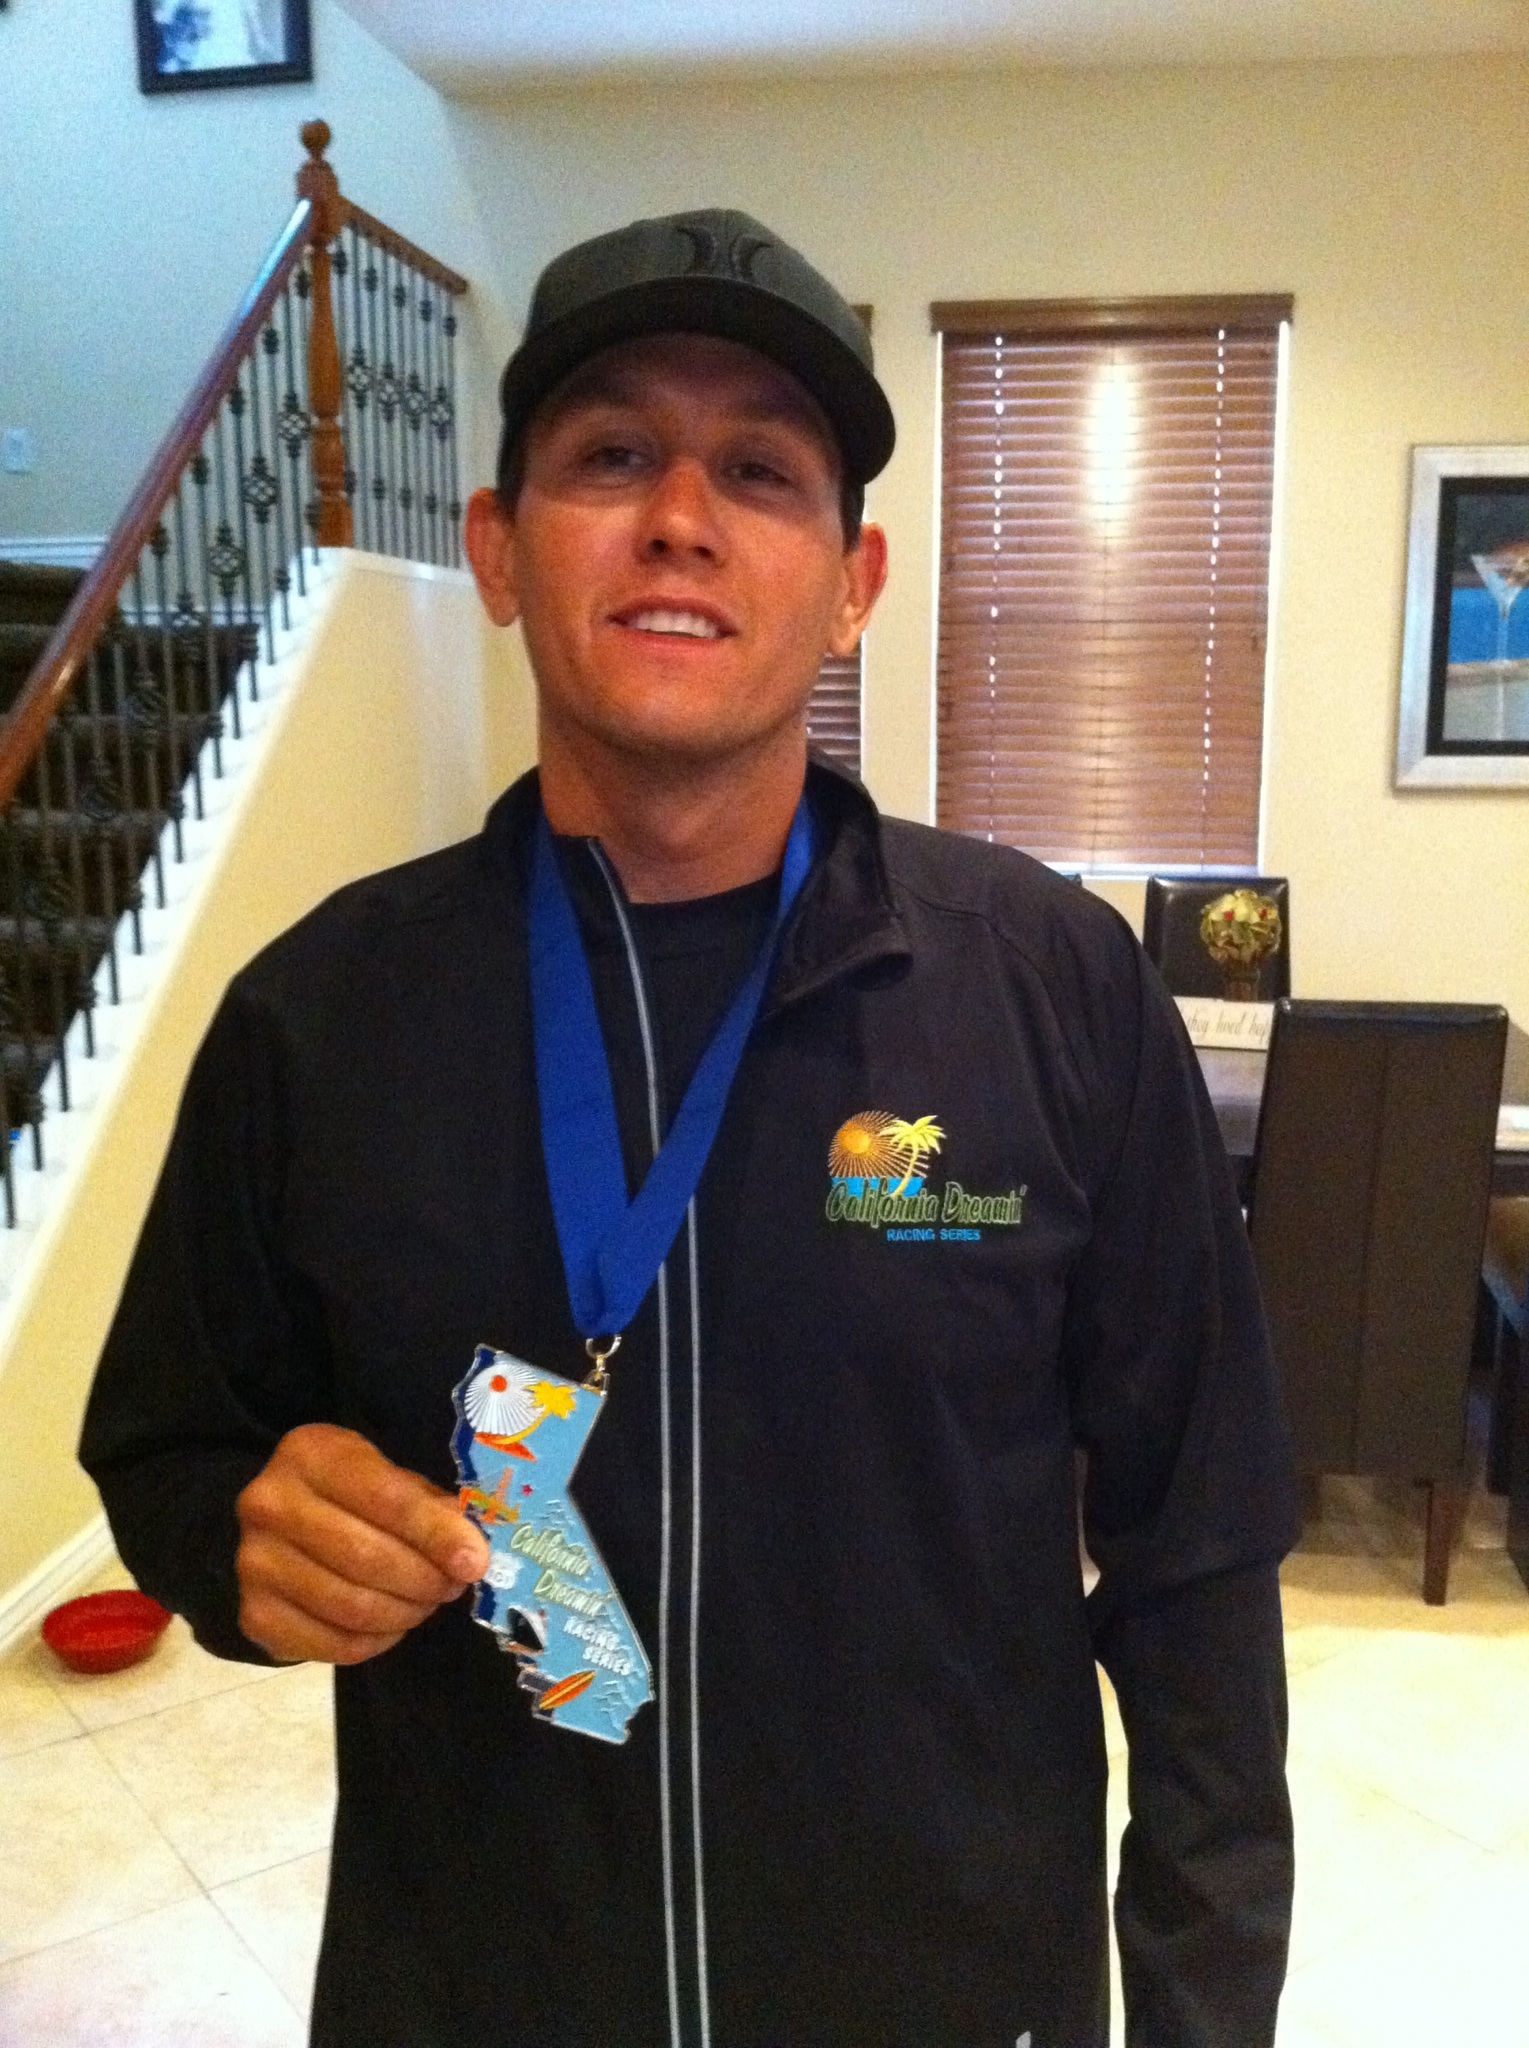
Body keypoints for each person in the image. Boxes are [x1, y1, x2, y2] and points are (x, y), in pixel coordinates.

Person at [80, 208, 1299, 2047]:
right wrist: (241, 1549)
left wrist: (1203, 2019)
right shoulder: (317, 1017)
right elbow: (170, 1444)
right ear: (498, 551)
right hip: (473, 1999)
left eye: (758, 470)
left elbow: (1196, 1552)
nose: (678, 517)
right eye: (608, 456)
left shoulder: (1050, 987)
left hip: (957, 1997)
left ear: (852, 581)